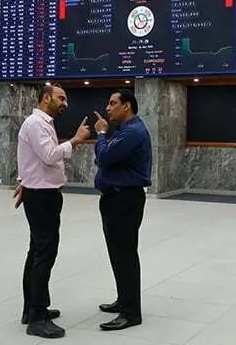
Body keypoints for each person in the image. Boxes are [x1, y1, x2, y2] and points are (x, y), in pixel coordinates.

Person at [12, 84, 91, 339]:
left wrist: (26, 179)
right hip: (41, 197)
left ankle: (32, 307)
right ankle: (37, 316)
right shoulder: (36, 123)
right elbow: (48, 155)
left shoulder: (43, 123)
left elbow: (33, 160)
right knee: (44, 253)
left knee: (37, 251)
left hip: (40, 192)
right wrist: (76, 140)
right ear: (46, 98)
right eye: (61, 98)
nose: (65, 103)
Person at [91, 89, 152, 331]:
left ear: (126, 106)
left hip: (124, 200)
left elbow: (104, 157)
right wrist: (105, 141)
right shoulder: (125, 131)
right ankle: (124, 300)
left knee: (125, 255)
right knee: (118, 254)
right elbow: (104, 156)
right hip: (116, 199)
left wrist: (102, 134)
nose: (108, 108)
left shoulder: (132, 132)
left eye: (112, 103)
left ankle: (131, 313)